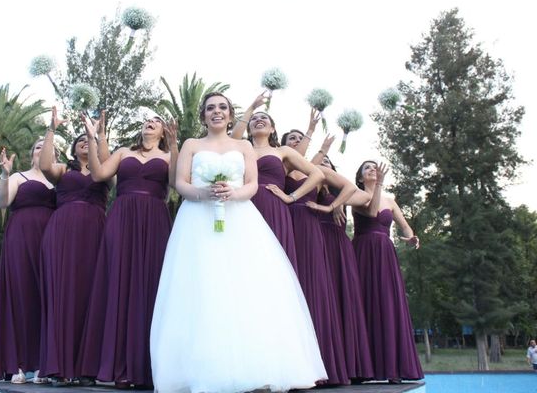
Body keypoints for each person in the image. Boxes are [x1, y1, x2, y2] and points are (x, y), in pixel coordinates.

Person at [150, 92, 327, 393]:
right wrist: (202, 194)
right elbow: (180, 183)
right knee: (202, 286)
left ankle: (255, 367)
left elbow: (252, 184)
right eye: (210, 108)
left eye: (222, 107)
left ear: (231, 115)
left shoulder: (243, 145)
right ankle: (202, 370)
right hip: (196, 219)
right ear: (203, 116)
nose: (216, 112)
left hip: (240, 218)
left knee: (245, 286)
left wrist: (234, 194)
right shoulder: (192, 145)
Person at [78, 116, 178, 388]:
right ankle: (116, 366)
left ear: (162, 130)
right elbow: (99, 175)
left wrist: (174, 143)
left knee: (151, 284)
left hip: (154, 219)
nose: (150, 122)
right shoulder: (124, 152)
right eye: (146, 120)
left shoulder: (169, 156)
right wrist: (92, 136)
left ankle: (145, 367)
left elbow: (177, 182)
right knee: (117, 282)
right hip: (122, 217)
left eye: (156, 121)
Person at [38, 107, 110, 386]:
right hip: (62, 233)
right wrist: (52, 128)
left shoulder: (104, 169)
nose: (83, 141)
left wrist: (98, 136)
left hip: (95, 233)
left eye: (87, 139)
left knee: (92, 295)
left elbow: (104, 164)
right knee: (63, 294)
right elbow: (45, 166)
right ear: (72, 147)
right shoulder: (63, 170)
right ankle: (61, 367)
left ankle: (88, 368)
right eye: (79, 139)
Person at [0, 139, 56, 384]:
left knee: (46, 300)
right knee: (21, 296)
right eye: (38, 146)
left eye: (48, 148)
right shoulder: (19, 176)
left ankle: (42, 365)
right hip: (22, 238)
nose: (43, 149)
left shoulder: (57, 180)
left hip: (51, 242)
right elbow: (1, 202)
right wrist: (4, 175)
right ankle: (17, 364)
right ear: (32, 154)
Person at [231, 93, 324, 270]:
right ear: (248, 128)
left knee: (274, 262)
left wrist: (292, 197)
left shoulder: (282, 151)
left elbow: (317, 174)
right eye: (254, 119)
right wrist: (251, 108)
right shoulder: (240, 148)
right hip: (243, 204)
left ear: (273, 129)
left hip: (273, 207)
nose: (259, 119)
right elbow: (232, 138)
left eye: (264, 117)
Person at [352, 160, 423, 383]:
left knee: (388, 304)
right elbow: (372, 211)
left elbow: (405, 225)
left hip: (385, 252)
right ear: (361, 178)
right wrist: (379, 185)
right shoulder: (356, 194)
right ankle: (363, 369)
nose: (372, 169)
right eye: (367, 168)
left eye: (374, 166)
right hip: (363, 251)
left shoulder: (391, 201)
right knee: (364, 304)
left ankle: (393, 368)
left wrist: (411, 236)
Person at [306, 154, 375, 382]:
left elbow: (365, 198)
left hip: (339, 246)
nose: (323, 165)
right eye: (319, 162)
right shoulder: (311, 186)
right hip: (317, 242)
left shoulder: (341, 192)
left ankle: (350, 366)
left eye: (327, 163)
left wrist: (338, 202)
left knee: (344, 301)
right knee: (322, 301)